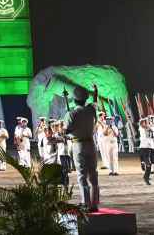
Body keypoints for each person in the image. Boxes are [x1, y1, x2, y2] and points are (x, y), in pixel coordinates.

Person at [66, 83, 100, 212]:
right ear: (86, 99)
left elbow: (66, 130)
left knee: (81, 175)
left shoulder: (71, 113)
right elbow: (95, 101)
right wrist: (95, 91)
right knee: (93, 174)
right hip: (91, 144)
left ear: (74, 99)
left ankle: (85, 203)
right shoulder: (91, 109)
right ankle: (94, 204)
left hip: (78, 144)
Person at [138, 118, 154, 185]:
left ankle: (146, 175)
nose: (146, 123)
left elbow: (152, 131)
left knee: (150, 163)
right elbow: (146, 131)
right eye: (145, 122)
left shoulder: (148, 129)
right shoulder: (141, 129)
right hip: (143, 149)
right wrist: (149, 126)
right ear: (141, 124)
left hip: (148, 148)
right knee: (148, 164)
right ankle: (146, 178)